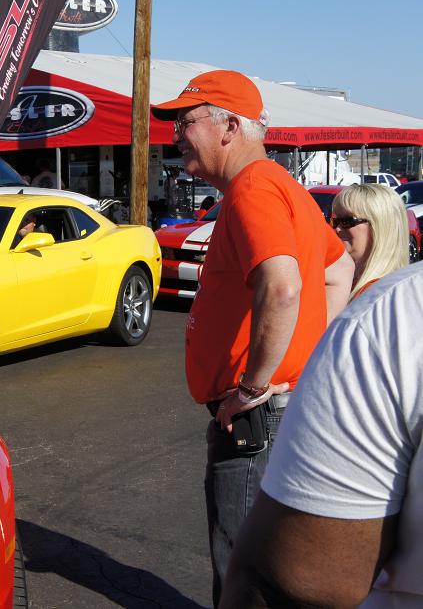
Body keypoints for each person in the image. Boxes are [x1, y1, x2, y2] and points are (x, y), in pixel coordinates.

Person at [150, 69, 354, 606]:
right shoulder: (281, 185)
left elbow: (283, 286)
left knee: (244, 573)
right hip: (277, 412)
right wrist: (309, 362)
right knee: (263, 564)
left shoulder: (253, 189)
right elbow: (337, 272)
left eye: (186, 122)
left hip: (254, 420)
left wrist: (252, 385)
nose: (176, 136)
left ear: (228, 127)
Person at [221, 262, 423, 608]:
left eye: (348, 220)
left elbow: (288, 585)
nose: (338, 228)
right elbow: (339, 269)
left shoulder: (394, 316)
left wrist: (251, 388)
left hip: (254, 411)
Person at [331, 183, 408, 302]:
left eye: (347, 221)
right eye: (335, 221)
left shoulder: (384, 295)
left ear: (380, 227)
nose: (337, 229)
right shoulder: (346, 282)